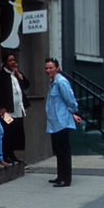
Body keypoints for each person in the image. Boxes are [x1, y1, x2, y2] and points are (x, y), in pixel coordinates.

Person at [43, 58, 82, 187]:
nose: (48, 70)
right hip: (55, 122)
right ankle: (60, 176)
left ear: (57, 68)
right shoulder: (53, 83)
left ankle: (66, 178)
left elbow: (69, 99)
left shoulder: (61, 82)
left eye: (51, 68)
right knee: (59, 151)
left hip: (62, 121)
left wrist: (73, 112)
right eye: (46, 68)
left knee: (63, 151)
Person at [0, 52, 29, 164]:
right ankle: (5, 155)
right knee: (7, 131)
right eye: (10, 60)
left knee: (16, 132)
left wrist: (19, 74)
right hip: (6, 110)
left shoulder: (16, 74)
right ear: (4, 63)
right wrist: (1, 107)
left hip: (18, 109)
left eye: (14, 60)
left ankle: (12, 154)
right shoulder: (0, 75)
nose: (13, 62)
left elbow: (26, 85)